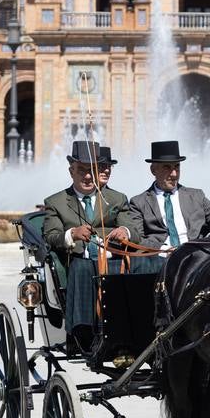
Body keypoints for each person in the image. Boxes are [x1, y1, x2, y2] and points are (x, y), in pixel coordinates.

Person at [43, 140, 141, 352]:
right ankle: (83, 332)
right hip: (79, 263)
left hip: (114, 264)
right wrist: (72, 234)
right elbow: (51, 236)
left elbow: (133, 227)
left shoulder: (116, 199)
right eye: (81, 170)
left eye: (92, 170)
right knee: (84, 268)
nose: (88, 176)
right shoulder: (56, 202)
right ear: (71, 172)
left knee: (147, 264)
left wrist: (125, 231)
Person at [128, 140, 210, 272]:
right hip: (160, 261)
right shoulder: (139, 202)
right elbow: (136, 239)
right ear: (153, 170)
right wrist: (163, 249)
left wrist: (209, 239)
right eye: (167, 167)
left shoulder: (196, 196)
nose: (174, 174)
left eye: (177, 167)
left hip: (197, 258)